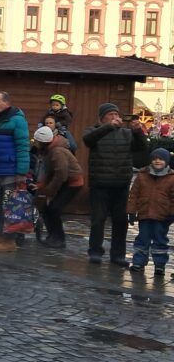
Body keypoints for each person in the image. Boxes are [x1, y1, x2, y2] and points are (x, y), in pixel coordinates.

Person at [83, 102, 148, 266]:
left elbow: (142, 147)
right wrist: (108, 127)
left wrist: (138, 130)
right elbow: (88, 140)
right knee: (98, 220)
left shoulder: (126, 133)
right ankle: (95, 252)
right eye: (111, 115)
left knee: (120, 222)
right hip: (100, 184)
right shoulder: (94, 131)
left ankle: (118, 255)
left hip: (121, 184)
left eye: (116, 114)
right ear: (102, 118)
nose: (115, 117)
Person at [0, 91, 30, 252]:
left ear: (6, 103)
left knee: (10, 207)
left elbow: (23, 146)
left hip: (11, 171)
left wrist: (21, 172)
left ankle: (9, 241)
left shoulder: (17, 121)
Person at [32, 125, 83, 248]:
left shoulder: (57, 152)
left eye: (37, 142)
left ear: (43, 142)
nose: (35, 144)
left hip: (73, 183)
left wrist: (49, 190)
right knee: (48, 209)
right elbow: (51, 172)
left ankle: (59, 239)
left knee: (54, 209)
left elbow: (61, 174)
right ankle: (53, 236)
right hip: (66, 181)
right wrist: (41, 185)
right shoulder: (50, 150)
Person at [127, 148, 174, 276]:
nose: (157, 161)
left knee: (160, 241)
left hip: (162, 216)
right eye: (155, 159)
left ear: (166, 161)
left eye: (161, 159)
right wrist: (131, 211)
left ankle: (159, 265)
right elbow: (134, 194)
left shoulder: (171, 178)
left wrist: (171, 213)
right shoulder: (142, 176)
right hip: (144, 214)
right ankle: (138, 262)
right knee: (142, 239)